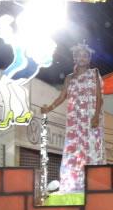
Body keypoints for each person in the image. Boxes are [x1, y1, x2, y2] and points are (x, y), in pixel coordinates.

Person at [42, 43, 105, 193]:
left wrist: (96, 116)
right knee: (73, 150)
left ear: (89, 58)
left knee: (91, 148)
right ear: (74, 58)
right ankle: (73, 186)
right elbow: (62, 96)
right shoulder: (69, 78)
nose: (81, 58)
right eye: (78, 55)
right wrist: (49, 108)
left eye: (85, 55)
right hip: (74, 121)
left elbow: (99, 97)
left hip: (90, 119)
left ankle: (93, 185)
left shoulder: (94, 73)